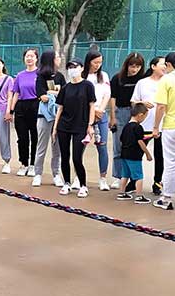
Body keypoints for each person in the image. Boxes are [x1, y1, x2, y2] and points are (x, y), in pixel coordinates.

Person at [52, 59, 96, 198]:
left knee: (77, 158)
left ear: (82, 68)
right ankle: (66, 183)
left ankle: (83, 185)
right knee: (65, 156)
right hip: (64, 126)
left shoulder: (87, 85)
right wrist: (55, 128)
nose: (72, 69)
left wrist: (90, 125)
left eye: (75, 66)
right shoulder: (66, 88)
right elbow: (60, 108)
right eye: (70, 67)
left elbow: (92, 106)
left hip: (81, 126)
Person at [152, 51, 175, 210]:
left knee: (171, 163)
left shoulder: (166, 80)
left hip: (172, 126)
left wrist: (156, 127)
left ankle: (166, 198)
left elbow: (161, 106)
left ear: (168, 64)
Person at [109, 52, 145, 188]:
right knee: (119, 146)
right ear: (127, 65)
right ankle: (118, 176)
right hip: (121, 112)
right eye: (132, 66)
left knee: (135, 146)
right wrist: (112, 117)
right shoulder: (117, 78)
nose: (134, 69)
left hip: (137, 113)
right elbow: (113, 98)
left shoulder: (142, 79)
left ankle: (132, 177)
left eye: (138, 66)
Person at [131, 56, 166, 196]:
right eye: (162, 64)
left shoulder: (167, 82)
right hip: (144, 125)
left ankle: (157, 183)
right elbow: (133, 102)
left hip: (163, 125)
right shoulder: (142, 83)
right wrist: (142, 103)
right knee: (136, 153)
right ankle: (134, 181)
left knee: (160, 155)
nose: (165, 67)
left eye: (166, 64)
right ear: (153, 66)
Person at [31, 50, 65, 187]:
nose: (59, 59)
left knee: (57, 147)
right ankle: (37, 174)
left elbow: (64, 94)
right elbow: (42, 95)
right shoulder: (40, 76)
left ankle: (56, 174)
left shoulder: (60, 76)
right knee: (42, 146)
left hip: (58, 116)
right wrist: (53, 94)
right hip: (44, 116)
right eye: (57, 57)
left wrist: (51, 93)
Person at [83, 50, 112, 191]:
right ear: (88, 62)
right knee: (80, 146)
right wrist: (92, 111)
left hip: (101, 115)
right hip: (85, 115)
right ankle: (78, 178)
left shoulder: (104, 75)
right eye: (95, 62)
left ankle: (103, 178)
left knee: (102, 146)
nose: (97, 65)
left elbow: (107, 94)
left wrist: (101, 109)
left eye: (100, 62)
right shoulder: (82, 75)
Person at [8, 48, 39, 176]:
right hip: (21, 106)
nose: (29, 58)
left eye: (32, 56)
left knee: (35, 137)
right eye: (27, 56)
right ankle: (24, 163)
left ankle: (33, 164)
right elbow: (16, 93)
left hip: (36, 106)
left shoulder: (40, 74)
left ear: (36, 58)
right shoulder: (20, 75)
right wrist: (11, 110)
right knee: (22, 137)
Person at [116, 103, 153, 204]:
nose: (144, 119)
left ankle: (121, 193)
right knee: (138, 176)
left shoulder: (126, 126)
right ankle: (139, 196)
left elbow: (122, 139)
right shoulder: (138, 127)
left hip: (124, 155)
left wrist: (150, 136)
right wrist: (147, 153)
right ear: (140, 115)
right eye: (145, 117)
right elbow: (140, 141)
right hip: (134, 156)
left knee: (125, 175)